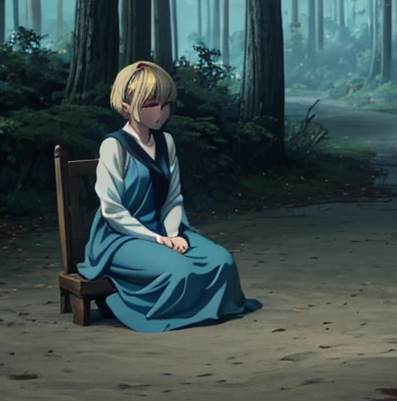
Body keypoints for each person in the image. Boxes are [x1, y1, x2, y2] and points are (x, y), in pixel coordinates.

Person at [77, 60, 261, 332]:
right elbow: (112, 209)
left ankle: (208, 310)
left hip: (165, 229)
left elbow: (173, 198)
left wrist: (173, 233)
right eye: (151, 104)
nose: (161, 112)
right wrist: (157, 239)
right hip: (120, 238)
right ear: (127, 106)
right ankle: (149, 311)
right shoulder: (114, 146)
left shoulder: (167, 142)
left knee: (222, 260)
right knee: (180, 270)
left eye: (165, 104)